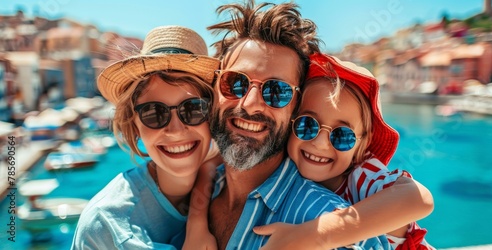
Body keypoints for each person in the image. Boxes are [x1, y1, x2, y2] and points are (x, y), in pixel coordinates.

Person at [184, 1, 391, 249]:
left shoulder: (324, 221)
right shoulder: (202, 184)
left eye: (276, 91)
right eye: (235, 83)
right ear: (214, 89)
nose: (250, 104)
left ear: (296, 109)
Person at [253, 53, 435, 249]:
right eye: (307, 125)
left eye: (342, 136)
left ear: (362, 145)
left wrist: (314, 235)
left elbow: (420, 199)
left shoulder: (361, 179)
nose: (321, 144)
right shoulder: (283, 166)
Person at [70, 25, 220, 249]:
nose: (176, 130)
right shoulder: (106, 226)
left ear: (213, 115)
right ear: (134, 123)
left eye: (194, 109)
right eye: (154, 113)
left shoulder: (231, 175)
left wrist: (196, 220)